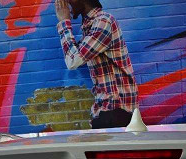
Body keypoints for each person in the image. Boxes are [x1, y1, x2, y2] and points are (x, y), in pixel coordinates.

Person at [55, 0, 137, 129]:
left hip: (116, 111)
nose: (66, 3)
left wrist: (64, 22)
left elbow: (73, 61)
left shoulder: (104, 21)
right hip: (108, 111)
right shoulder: (91, 26)